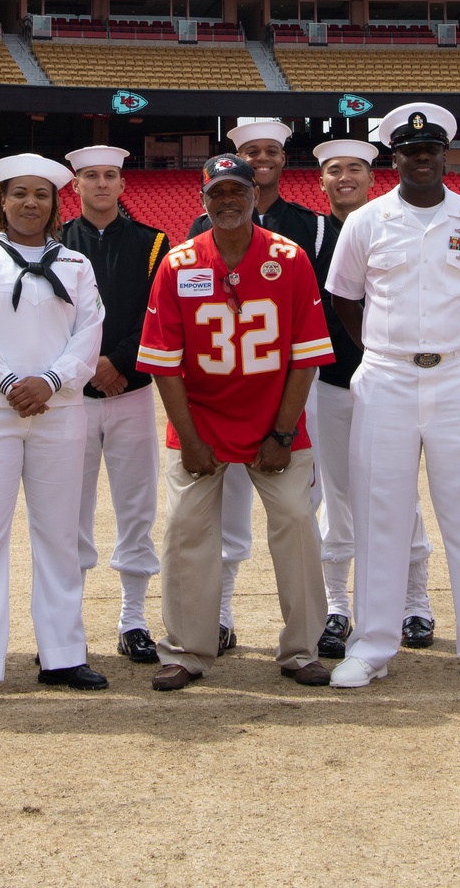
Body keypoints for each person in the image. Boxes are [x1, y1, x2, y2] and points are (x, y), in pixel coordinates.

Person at [325, 102, 460, 689]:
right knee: (379, 511)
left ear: (444, 156)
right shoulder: (365, 221)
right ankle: (373, 644)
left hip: (458, 376)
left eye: (431, 151)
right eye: (410, 152)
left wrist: (445, 348)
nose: (421, 160)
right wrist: (388, 351)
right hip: (385, 376)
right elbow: (345, 299)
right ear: (396, 158)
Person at [136, 153, 334, 690]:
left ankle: (300, 649)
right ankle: (186, 651)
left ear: (254, 197)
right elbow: (164, 363)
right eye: (217, 193)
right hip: (199, 423)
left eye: (237, 192)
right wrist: (192, 440)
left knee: (295, 522)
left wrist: (283, 433)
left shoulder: (289, 258)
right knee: (184, 530)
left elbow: (305, 355)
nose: (227, 201)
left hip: (274, 421)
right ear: (202, 200)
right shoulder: (178, 265)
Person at [0, 154, 107, 712]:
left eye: (41, 194)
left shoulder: (77, 264)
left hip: (60, 411)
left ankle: (62, 653)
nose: (30, 202)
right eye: (19, 193)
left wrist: (50, 382)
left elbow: (89, 333)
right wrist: (12, 382)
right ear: (0, 201)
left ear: (56, 203)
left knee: (59, 534)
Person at [187, 119, 324, 653]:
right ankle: (207, 627)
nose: (261, 159)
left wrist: (285, 426)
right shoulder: (194, 242)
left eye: (270, 152)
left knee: (298, 518)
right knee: (210, 525)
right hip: (216, 404)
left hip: (286, 396)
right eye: (251, 152)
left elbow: (312, 327)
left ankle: (309, 638)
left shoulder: (301, 233)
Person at [310, 136, 433, 658]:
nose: (345, 178)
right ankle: (337, 605)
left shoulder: (397, 222)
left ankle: (415, 603)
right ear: (321, 180)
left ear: (373, 175)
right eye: (335, 169)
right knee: (337, 497)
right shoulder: (307, 231)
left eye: (356, 168)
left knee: (402, 495)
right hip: (333, 383)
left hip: (396, 385)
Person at [61, 144, 169, 665]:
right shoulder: (52, 243)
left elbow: (157, 313)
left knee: (135, 508)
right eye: (91, 176)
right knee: (67, 512)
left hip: (130, 392)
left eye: (110, 176)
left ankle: (133, 618)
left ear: (123, 185)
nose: (101, 184)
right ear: (75, 185)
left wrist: (119, 362)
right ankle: (67, 624)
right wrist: (89, 367)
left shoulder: (154, 243)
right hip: (69, 398)